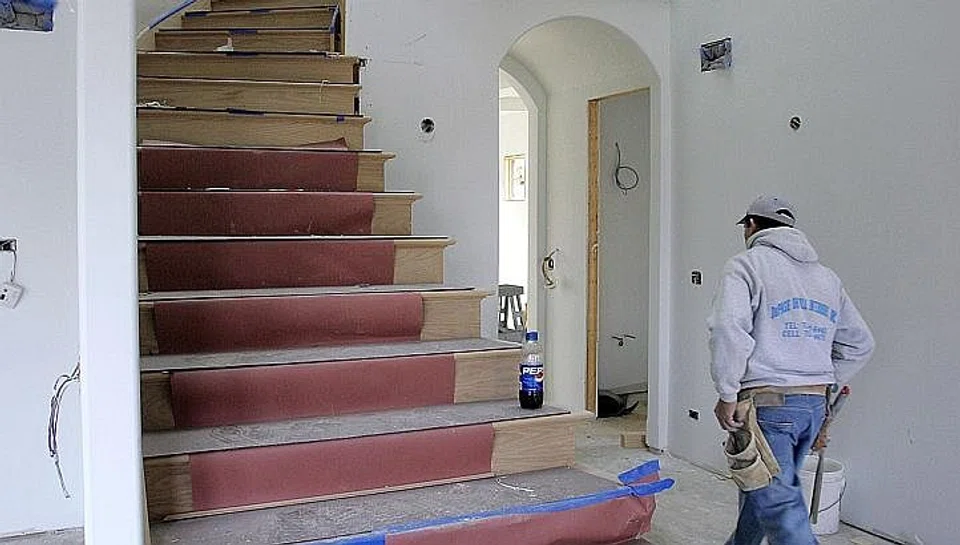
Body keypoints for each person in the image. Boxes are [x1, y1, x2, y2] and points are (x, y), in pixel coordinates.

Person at [708, 195, 875, 545]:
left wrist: (727, 392)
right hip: (812, 408)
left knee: (782, 511)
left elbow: (728, 328)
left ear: (751, 225)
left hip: (769, 407)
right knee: (762, 492)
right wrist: (822, 381)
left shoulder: (746, 265)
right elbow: (860, 343)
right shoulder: (827, 278)